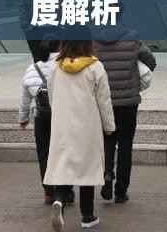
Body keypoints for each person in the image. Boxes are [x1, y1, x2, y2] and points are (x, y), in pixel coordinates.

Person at [44, 34, 115, 230]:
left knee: (63, 166)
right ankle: (87, 216)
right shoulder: (95, 67)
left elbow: (52, 97)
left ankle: (59, 200)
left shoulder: (55, 67)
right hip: (87, 126)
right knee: (87, 170)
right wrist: (109, 126)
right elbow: (104, 100)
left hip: (62, 126)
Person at [94, 31, 156, 203]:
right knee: (125, 146)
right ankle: (121, 191)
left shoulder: (94, 40)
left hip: (105, 101)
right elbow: (151, 61)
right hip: (129, 102)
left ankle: (107, 174)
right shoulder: (133, 39)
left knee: (107, 141)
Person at [19, 36, 75, 205]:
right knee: (65, 153)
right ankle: (65, 191)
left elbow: (25, 98)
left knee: (44, 154)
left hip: (41, 117)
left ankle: (49, 192)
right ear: (60, 46)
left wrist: (23, 118)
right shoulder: (66, 65)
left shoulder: (33, 68)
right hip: (63, 116)